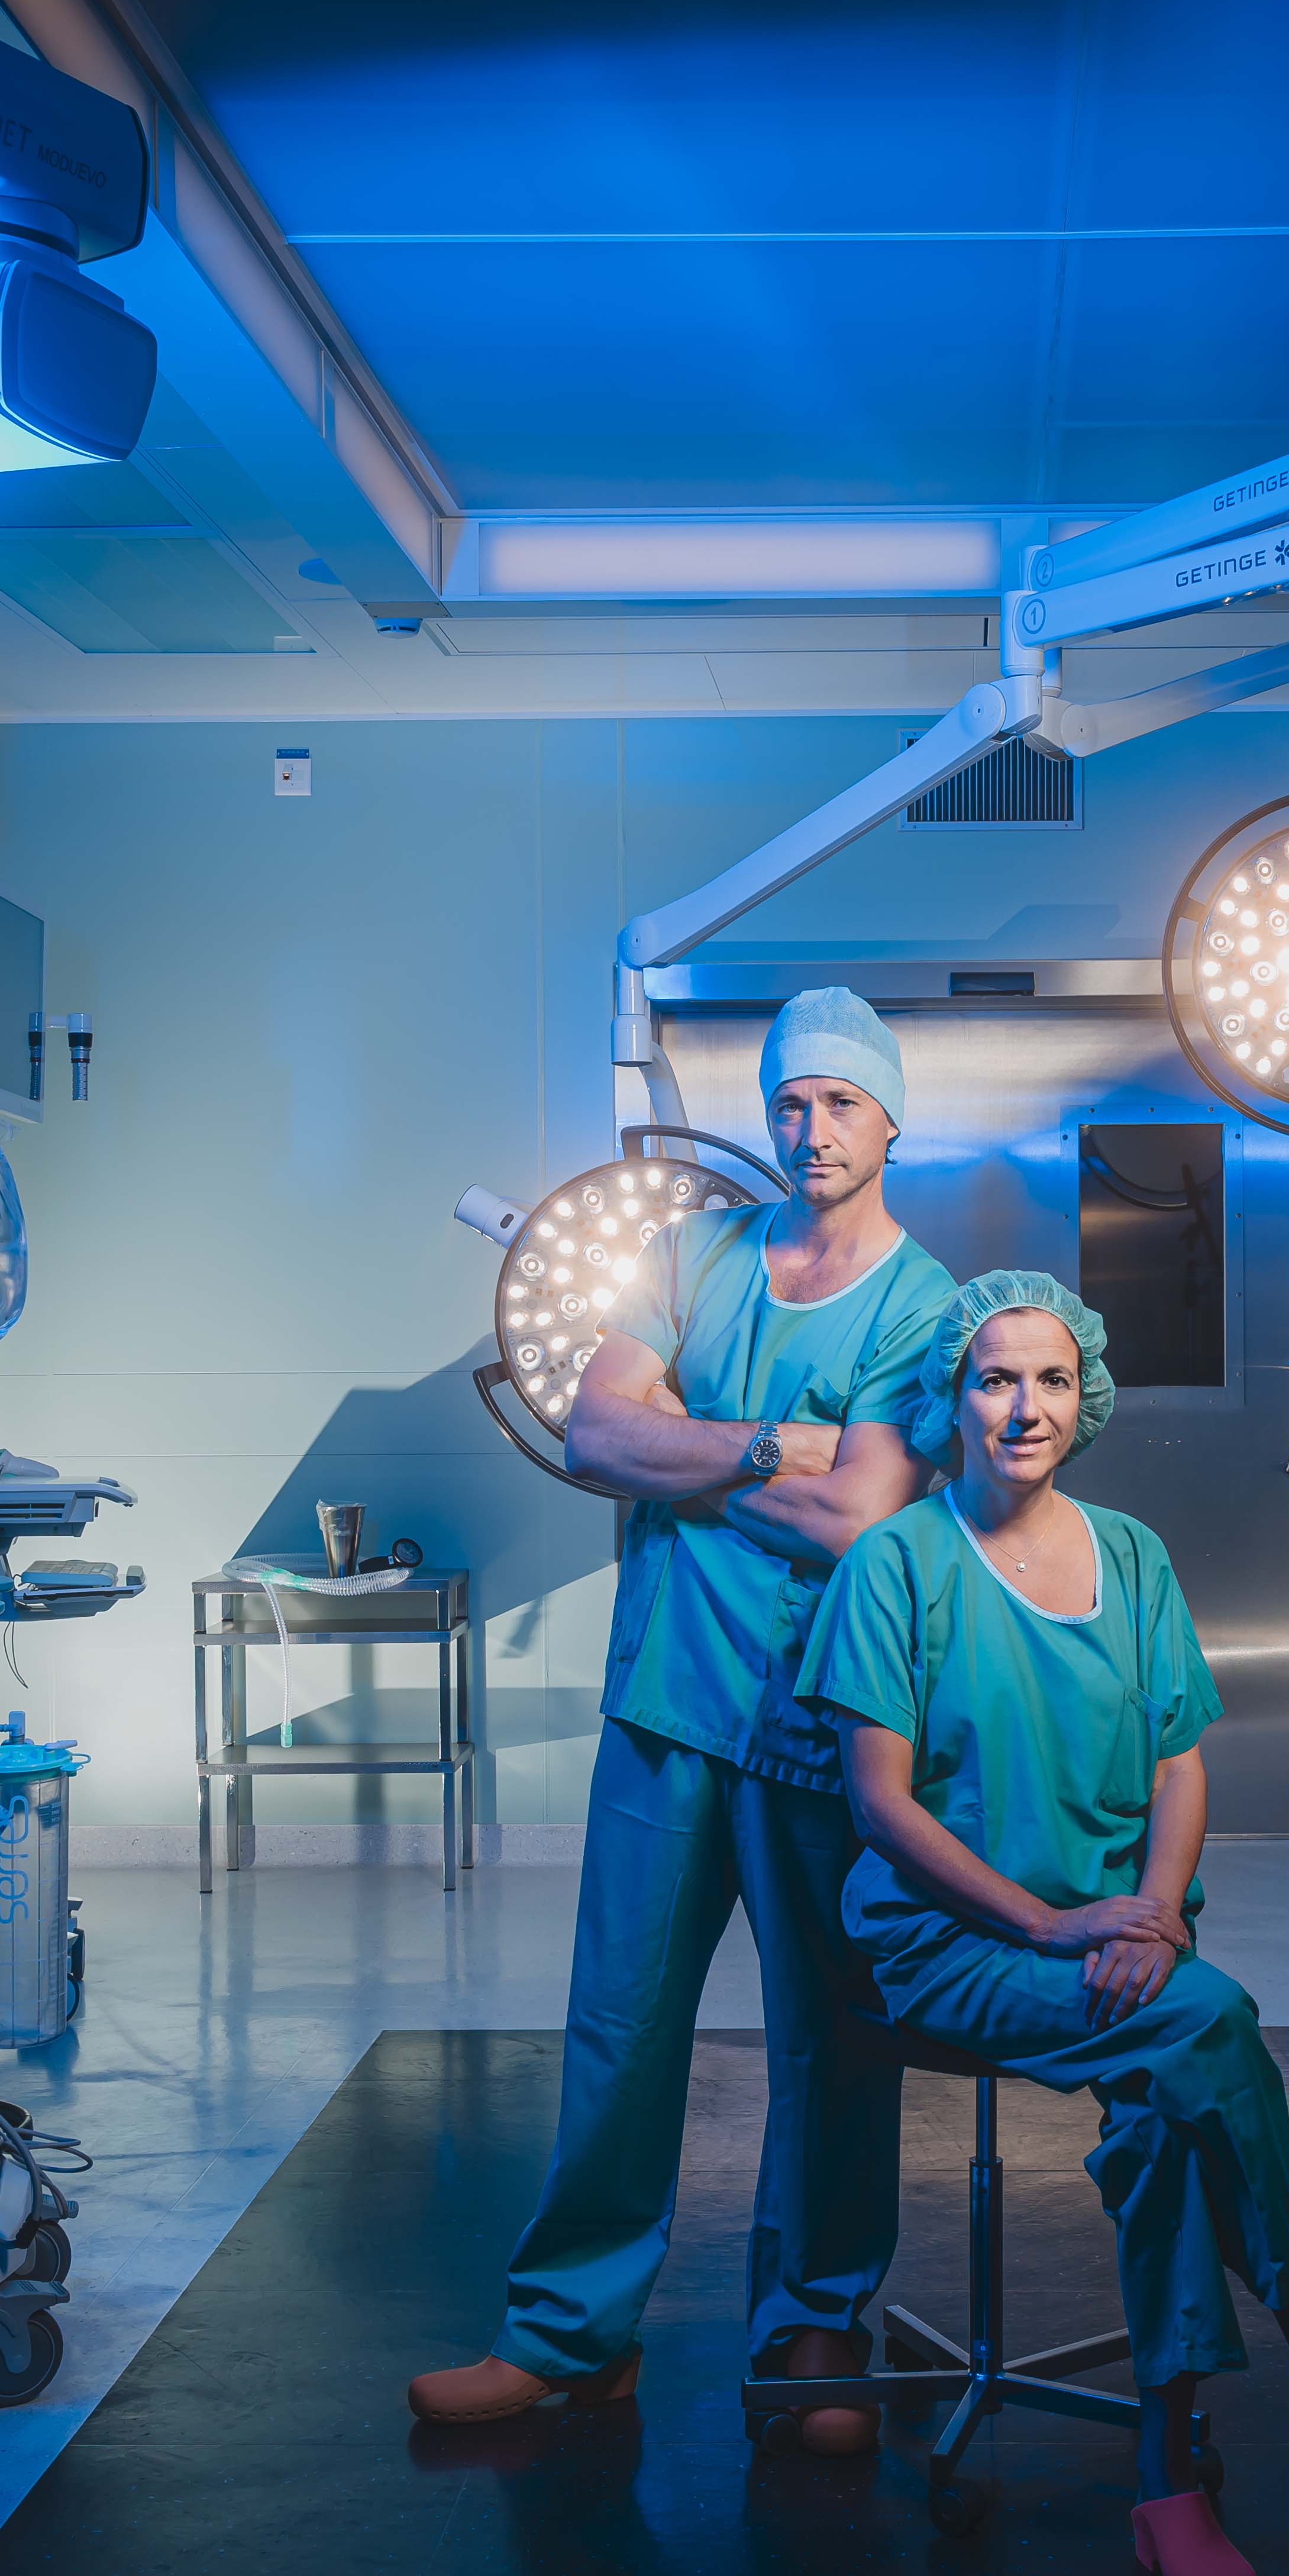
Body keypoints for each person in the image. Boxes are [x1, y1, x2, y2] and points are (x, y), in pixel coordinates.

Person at [795, 1274, 1289, 2576]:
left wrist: (1159, 1910)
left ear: (1086, 1398)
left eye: (1051, 1379)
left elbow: (1180, 1764)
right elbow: (878, 1804)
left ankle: (1174, 2478)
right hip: (955, 1942)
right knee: (1204, 2026)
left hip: (1126, 1942)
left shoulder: (1131, 1555)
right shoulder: (897, 1563)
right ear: (951, 1400)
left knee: (1173, 2103)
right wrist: (1051, 1920)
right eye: (995, 1378)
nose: (1024, 1405)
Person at [409, 989, 960, 2445]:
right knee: (620, 2024)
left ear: (892, 1116)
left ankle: (815, 2327)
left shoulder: (923, 1304)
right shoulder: (690, 1250)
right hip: (665, 1706)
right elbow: (594, 1433)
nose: (810, 1128)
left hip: (820, 1720)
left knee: (831, 2039)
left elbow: (861, 1521)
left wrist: (692, 1458)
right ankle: (569, 2332)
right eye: (790, 1101)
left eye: (843, 1101)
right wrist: (780, 1442)